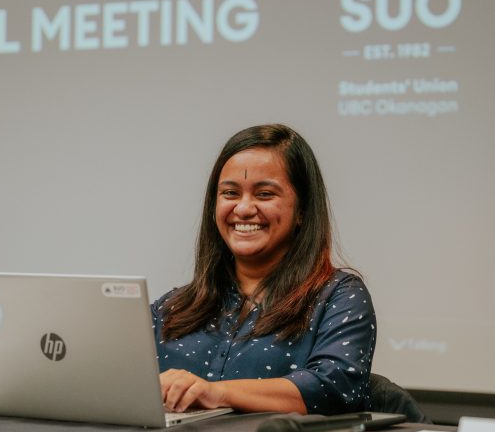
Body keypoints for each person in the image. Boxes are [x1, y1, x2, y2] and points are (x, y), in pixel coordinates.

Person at [155, 124, 376, 415]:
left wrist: (215, 392)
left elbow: (332, 388)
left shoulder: (339, 297)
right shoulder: (171, 308)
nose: (244, 208)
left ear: (302, 211)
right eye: (231, 193)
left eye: (264, 194)